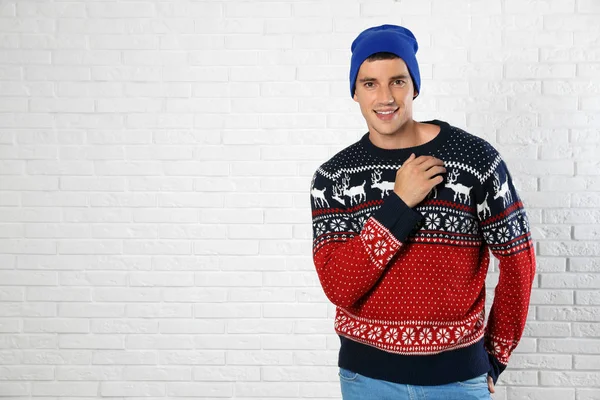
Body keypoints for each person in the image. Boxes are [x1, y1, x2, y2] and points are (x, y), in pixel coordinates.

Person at [309, 24, 536, 400]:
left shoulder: (475, 160)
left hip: (458, 382)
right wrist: (397, 205)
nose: (385, 97)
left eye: (397, 81)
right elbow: (339, 286)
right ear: (354, 92)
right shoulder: (332, 178)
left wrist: (495, 357)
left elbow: (518, 261)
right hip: (366, 381)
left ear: (415, 85)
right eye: (369, 84)